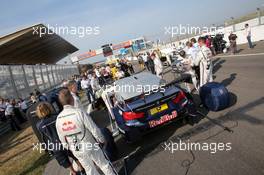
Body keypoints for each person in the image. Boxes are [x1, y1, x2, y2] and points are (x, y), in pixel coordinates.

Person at [56, 89, 117, 175]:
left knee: (90, 170)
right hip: (89, 144)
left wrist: (70, 148)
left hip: (76, 148)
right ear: (71, 99)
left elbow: (62, 138)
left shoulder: (58, 119)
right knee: (103, 164)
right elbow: (93, 128)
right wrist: (102, 140)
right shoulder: (79, 113)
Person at [36, 102, 84, 175]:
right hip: (66, 142)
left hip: (55, 146)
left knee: (64, 161)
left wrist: (49, 150)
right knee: (75, 156)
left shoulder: (39, 125)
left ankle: (73, 172)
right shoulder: (58, 116)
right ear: (49, 108)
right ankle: (82, 169)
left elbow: (45, 138)